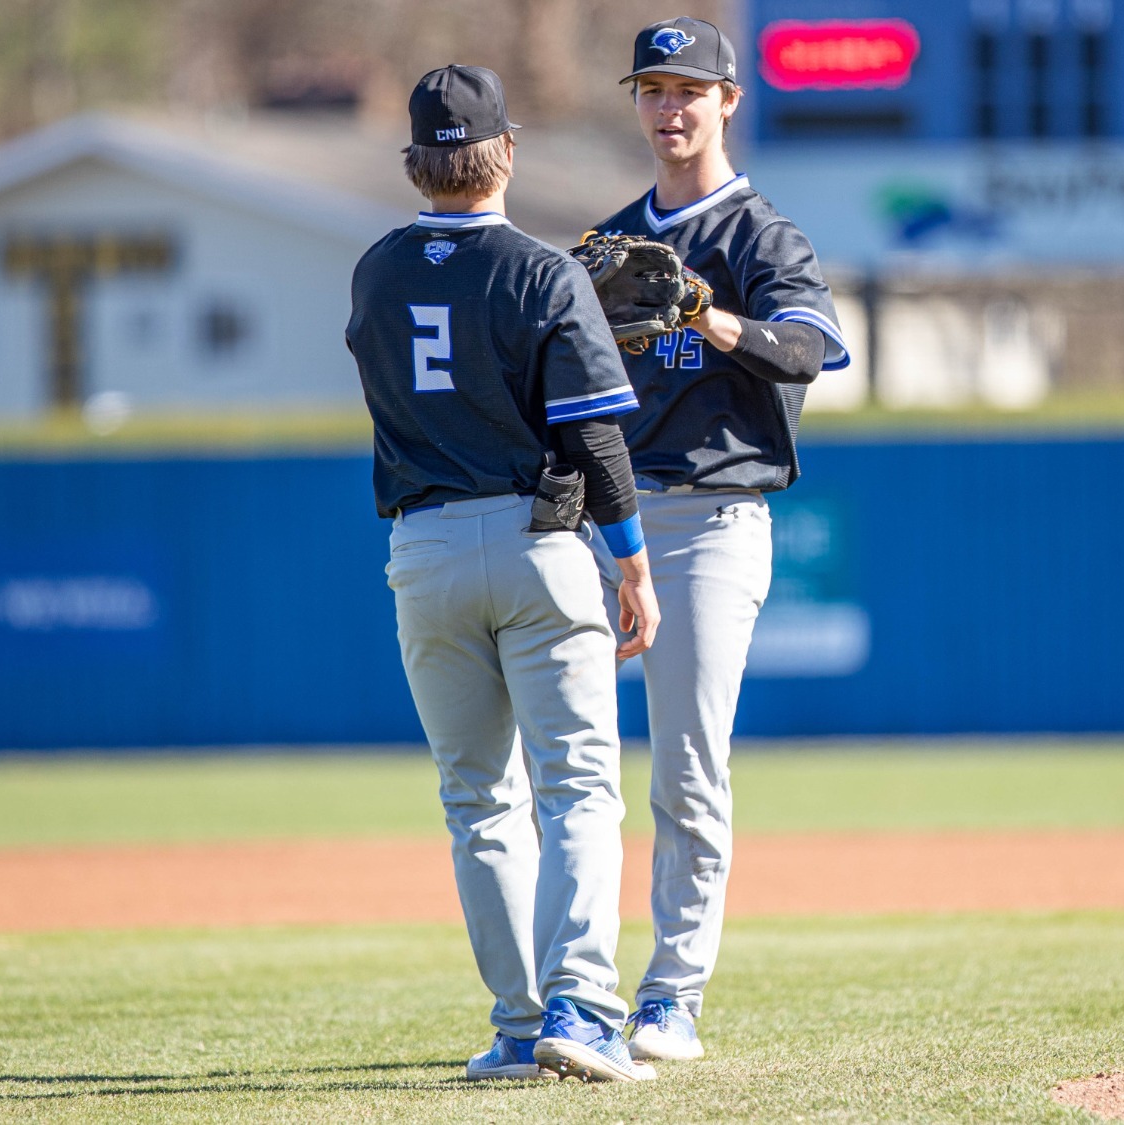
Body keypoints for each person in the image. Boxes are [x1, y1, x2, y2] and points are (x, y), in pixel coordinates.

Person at [345, 64, 661, 1084]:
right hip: (534, 540)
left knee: (476, 797)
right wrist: (632, 564)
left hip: (423, 547)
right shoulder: (538, 271)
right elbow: (598, 444)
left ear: (414, 163)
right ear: (506, 153)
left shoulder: (376, 272)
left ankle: (520, 1028)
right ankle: (582, 1007)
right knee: (574, 785)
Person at [585, 17, 851, 1063]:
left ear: (727, 101)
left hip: (705, 521)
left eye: (688, 89)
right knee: (570, 767)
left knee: (684, 771)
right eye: (651, 88)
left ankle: (670, 996)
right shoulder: (612, 242)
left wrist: (710, 321)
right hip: (602, 519)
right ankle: (566, 999)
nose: (669, 107)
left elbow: (811, 348)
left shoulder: (760, 238)